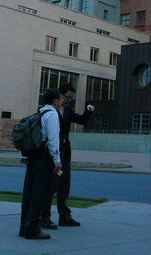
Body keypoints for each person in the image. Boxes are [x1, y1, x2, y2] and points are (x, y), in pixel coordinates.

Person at [40, 83, 94, 229]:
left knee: (64, 184)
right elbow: (50, 136)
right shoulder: (49, 112)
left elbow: (81, 120)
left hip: (65, 153)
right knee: (51, 185)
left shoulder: (68, 110)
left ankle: (65, 216)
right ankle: (44, 217)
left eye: (72, 98)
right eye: (67, 97)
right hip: (53, 155)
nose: (69, 100)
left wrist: (88, 111)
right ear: (59, 96)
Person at [19, 89, 63, 239]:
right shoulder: (52, 115)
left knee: (29, 192)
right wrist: (57, 161)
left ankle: (24, 227)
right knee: (40, 192)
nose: (61, 102)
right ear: (55, 101)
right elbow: (53, 139)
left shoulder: (40, 113)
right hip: (44, 157)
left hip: (33, 156)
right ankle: (33, 229)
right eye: (60, 99)